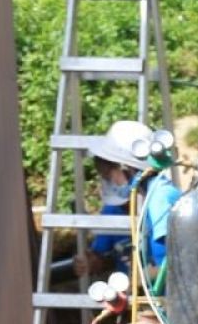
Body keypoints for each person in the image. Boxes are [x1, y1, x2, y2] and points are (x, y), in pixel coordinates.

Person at [74, 120, 179, 282]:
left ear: (126, 167)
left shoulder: (159, 199)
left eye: (108, 174)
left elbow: (170, 266)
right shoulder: (153, 195)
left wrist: (138, 279)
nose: (110, 182)